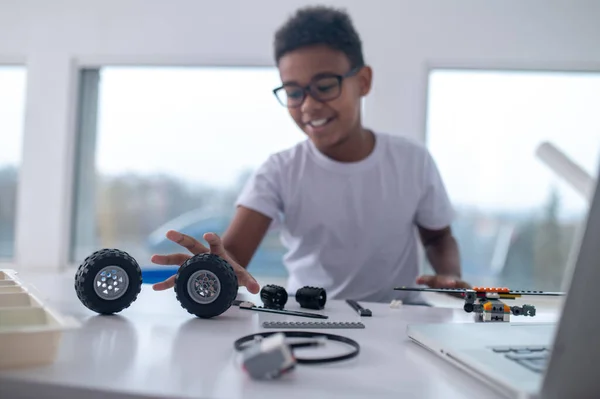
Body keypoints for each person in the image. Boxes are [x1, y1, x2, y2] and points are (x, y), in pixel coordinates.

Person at [151, 5, 470, 304]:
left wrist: (450, 274)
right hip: (311, 317)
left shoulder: (412, 160)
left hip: (400, 317)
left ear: (363, 82)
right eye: (293, 92)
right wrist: (209, 268)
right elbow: (233, 255)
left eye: (325, 85)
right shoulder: (280, 171)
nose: (308, 105)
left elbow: (439, 236)